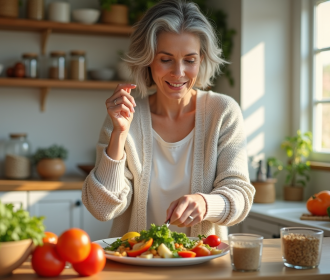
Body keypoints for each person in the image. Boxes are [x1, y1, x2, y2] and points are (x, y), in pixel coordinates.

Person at [82, 0, 255, 240]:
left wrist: (205, 204)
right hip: (137, 266)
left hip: (202, 267)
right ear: (149, 59)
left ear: (201, 59)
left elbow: (241, 196)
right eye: (166, 59)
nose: (179, 72)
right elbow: (102, 208)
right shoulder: (124, 117)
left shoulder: (223, 112)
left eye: (190, 60)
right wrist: (119, 133)